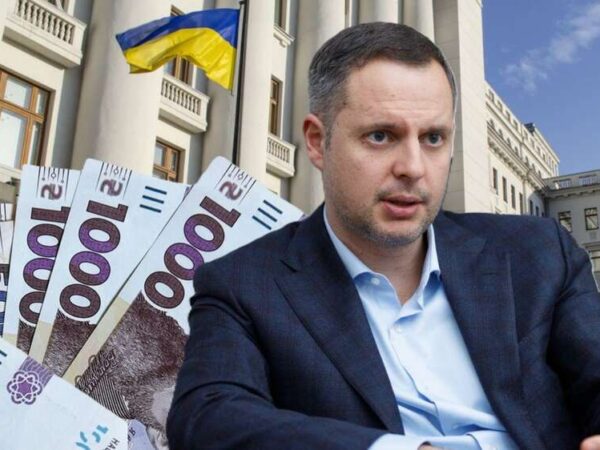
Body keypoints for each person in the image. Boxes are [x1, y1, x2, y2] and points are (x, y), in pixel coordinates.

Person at [167, 22, 600, 450]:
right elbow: (209, 417)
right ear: (318, 142)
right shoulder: (243, 285)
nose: (412, 167)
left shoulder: (539, 253)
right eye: (380, 136)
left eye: (433, 138)